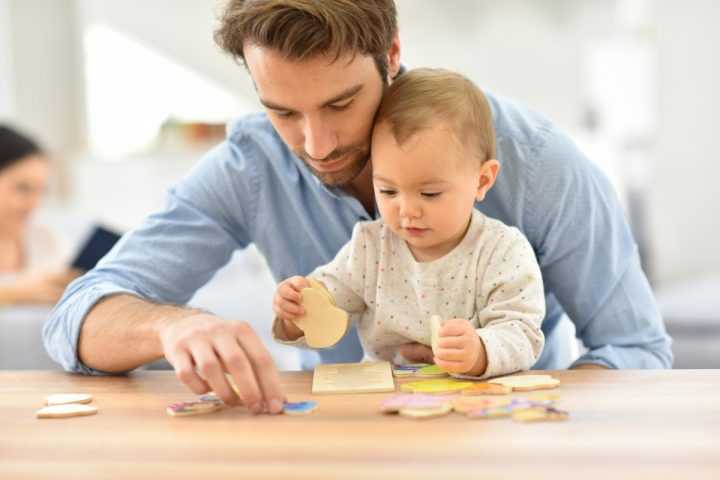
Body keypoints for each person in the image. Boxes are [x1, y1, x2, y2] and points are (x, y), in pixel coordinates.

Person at [43, 0, 672, 414]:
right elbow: (74, 319)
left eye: (341, 104)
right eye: (283, 111)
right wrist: (172, 325)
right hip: (335, 441)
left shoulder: (537, 162)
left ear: (392, 55)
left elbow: (636, 353)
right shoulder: (252, 164)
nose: (316, 146)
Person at [272, 69, 545, 379]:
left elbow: (523, 332)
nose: (407, 211)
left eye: (429, 193)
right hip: (384, 402)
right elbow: (327, 307)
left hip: (472, 405)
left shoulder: (502, 250)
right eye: (388, 191)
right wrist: (296, 310)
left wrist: (480, 350)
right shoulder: (370, 246)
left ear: (482, 181)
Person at [0, 125, 79, 306]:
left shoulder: (46, 237)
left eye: (41, 191)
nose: (33, 204)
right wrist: (11, 292)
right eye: (22, 188)